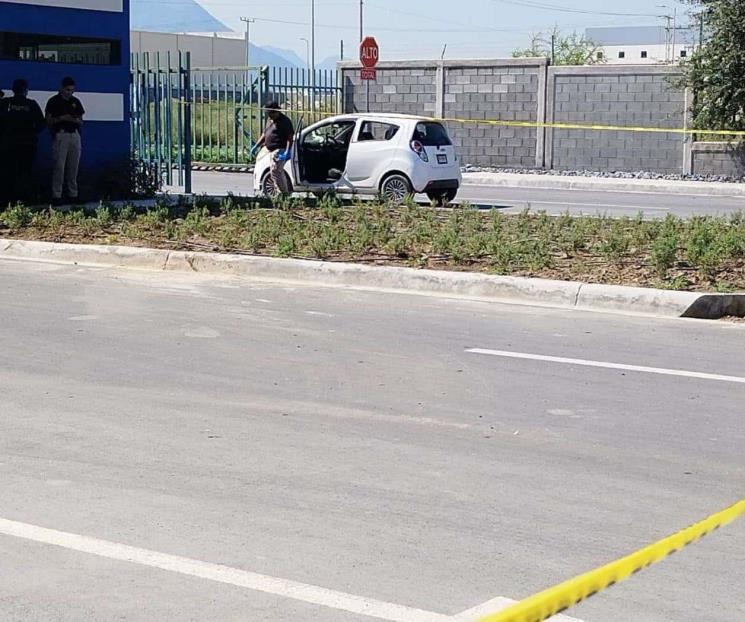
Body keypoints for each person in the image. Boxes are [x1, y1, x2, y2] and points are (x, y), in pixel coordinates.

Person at [0, 79, 45, 207]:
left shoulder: (5, 103)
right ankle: (23, 200)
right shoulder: (31, 104)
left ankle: (6, 200)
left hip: (7, 144)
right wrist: (31, 133)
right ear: (26, 90)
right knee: (25, 173)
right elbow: (41, 124)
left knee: (7, 173)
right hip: (27, 145)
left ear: (13, 90)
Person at [45, 76, 85, 204]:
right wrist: (62, 118)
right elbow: (48, 120)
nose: (70, 92)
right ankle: (57, 195)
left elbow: (81, 120)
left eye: (72, 90)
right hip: (61, 135)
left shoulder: (75, 101)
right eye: (67, 90)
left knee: (73, 166)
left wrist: (73, 119)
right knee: (59, 166)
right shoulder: (53, 101)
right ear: (61, 88)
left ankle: (73, 194)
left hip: (74, 134)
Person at [251, 102, 294, 195]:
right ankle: (270, 188)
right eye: (268, 113)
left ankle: (283, 193)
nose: (270, 115)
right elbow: (265, 134)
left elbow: (290, 138)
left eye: (272, 113)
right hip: (267, 148)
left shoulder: (285, 121)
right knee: (262, 167)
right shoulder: (270, 120)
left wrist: (287, 151)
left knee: (276, 170)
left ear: (277, 111)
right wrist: (256, 146)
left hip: (279, 149)